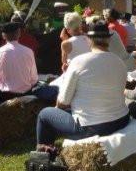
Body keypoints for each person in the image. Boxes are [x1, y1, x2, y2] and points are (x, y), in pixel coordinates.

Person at [35, 20, 130, 150]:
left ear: (88, 39)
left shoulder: (79, 61)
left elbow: (63, 101)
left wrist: (58, 109)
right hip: (121, 120)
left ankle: (44, 154)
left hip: (92, 126)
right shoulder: (119, 62)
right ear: (108, 40)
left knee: (45, 114)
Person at [0, 22, 57, 107]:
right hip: (25, 93)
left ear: (3, 36)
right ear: (18, 34)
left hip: (4, 96)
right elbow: (33, 79)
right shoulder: (28, 51)